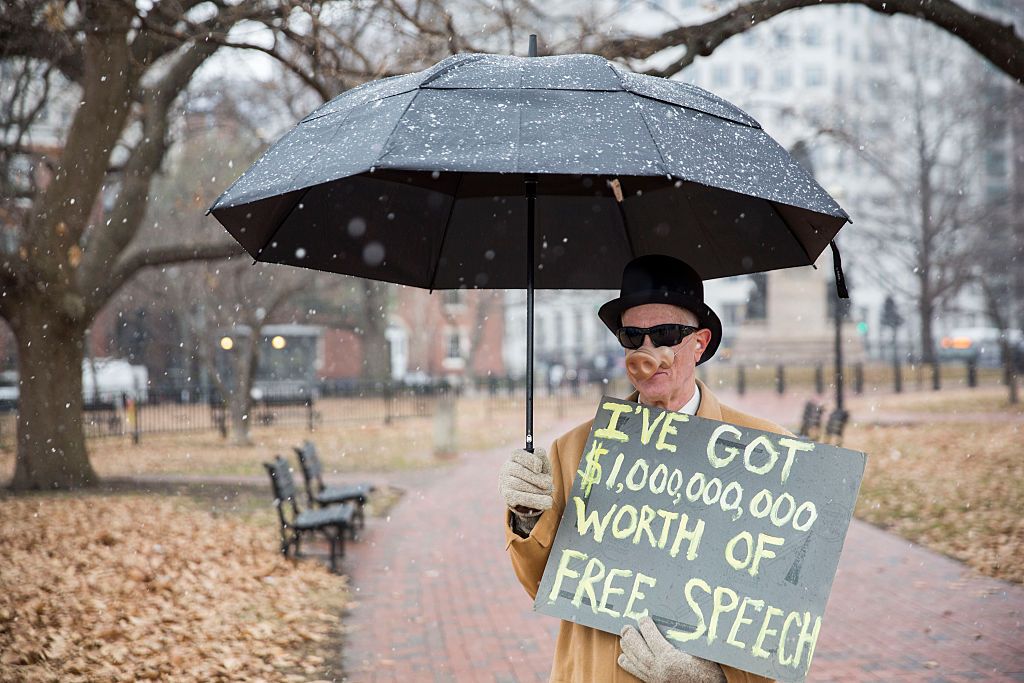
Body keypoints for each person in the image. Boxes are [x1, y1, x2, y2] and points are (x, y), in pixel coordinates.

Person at [499, 254, 787, 683]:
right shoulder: (573, 449)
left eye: (666, 334)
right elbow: (543, 585)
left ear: (700, 343)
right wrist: (527, 519)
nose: (648, 351)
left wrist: (713, 678)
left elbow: (775, 622)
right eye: (633, 337)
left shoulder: (765, 454)